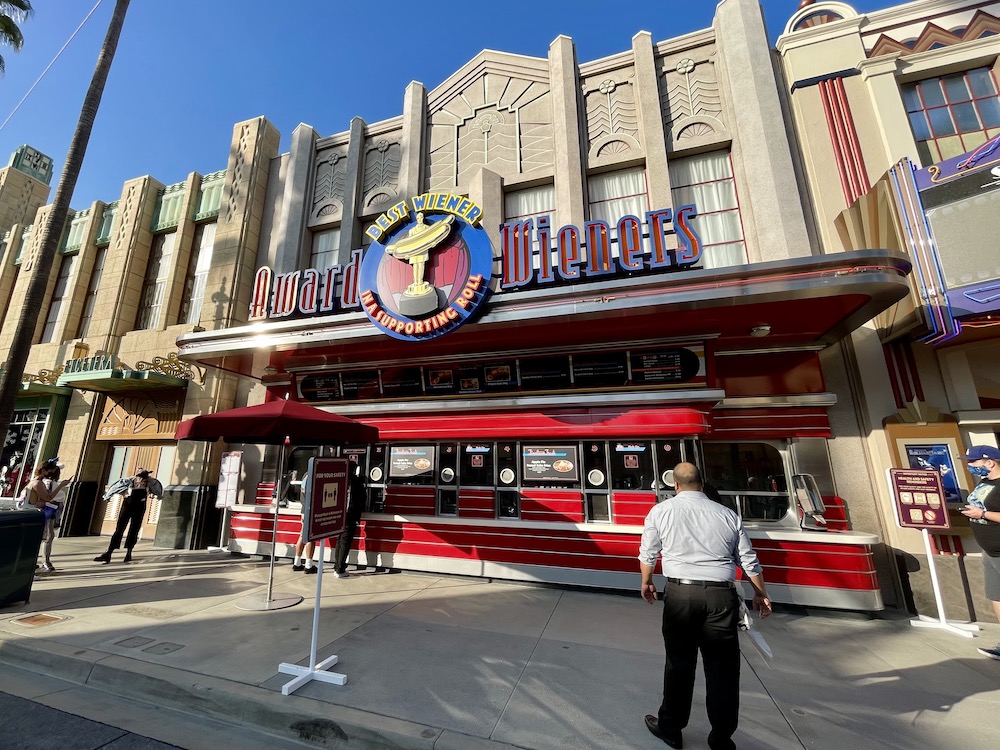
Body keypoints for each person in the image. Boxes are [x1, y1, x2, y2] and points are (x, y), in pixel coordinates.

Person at [639, 462, 771, 750]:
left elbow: (648, 552)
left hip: (680, 594)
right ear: (702, 482)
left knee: (679, 663)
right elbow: (748, 559)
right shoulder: (727, 514)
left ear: (674, 485)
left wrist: (647, 582)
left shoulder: (661, 511)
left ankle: (671, 729)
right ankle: (721, 738)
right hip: (721, 597)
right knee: (722, 668)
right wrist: (760, 593)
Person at [958, 445, 1000, 660]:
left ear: (990, 462)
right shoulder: (985, 483)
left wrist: (982, 513)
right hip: (989, 550)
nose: (970, 466)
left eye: (973, 462)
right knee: (997, 595)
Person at [94, 469, 158, 564]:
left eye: (145, 477)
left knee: (134, 529)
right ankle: (109, 553)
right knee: (119, 529)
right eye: (142, 477)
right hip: (127, 506)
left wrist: (155, 494)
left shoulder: (149, 483)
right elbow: (115, 488)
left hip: (140, 507)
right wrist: (108, 496)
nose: (143, 479)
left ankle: (128, 553)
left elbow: (157, 489)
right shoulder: (128, 482)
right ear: (137, 476)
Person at [28, 458, 71, 573]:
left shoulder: (40, 481)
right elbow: (47, 498)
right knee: (46, 536)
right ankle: (42, 562)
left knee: (48, 536)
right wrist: (61, 486)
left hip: (48, 510)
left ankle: (41, 561)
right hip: (45, 511)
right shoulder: (40, 482)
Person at [332, 465, 366, 578]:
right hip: (350, 515)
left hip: (339, 514)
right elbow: (362, 497)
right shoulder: (357, 481)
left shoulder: (339, 479)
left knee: (339, 540)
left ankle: (337, 566)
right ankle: (340, 569)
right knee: (345, 542)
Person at [289, 470, 317, 574]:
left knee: (302, 535)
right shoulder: (316, 475)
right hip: (311, 510)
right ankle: (309, 565)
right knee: (310, 537)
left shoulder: (306, 474)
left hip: (304, 509)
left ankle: (297, 562)